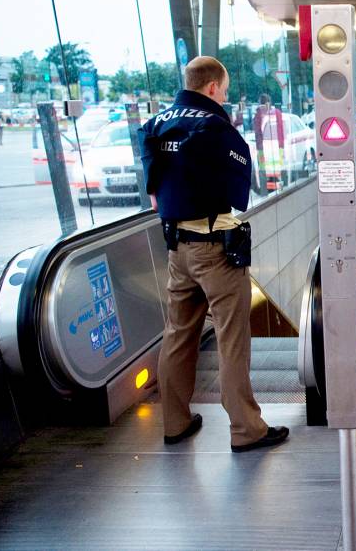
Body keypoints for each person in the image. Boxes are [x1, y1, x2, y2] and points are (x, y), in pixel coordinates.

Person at [139, 56, 289, 452]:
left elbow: (154, 191)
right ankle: (246, 429)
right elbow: (236, 193)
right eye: (222, 90)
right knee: (232, 339)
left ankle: (175, 422)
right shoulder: (213, 126)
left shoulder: (155, 125)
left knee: (177, 335)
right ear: (211, 87)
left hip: (177, 248)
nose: (223, 96)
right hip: (215, 250)